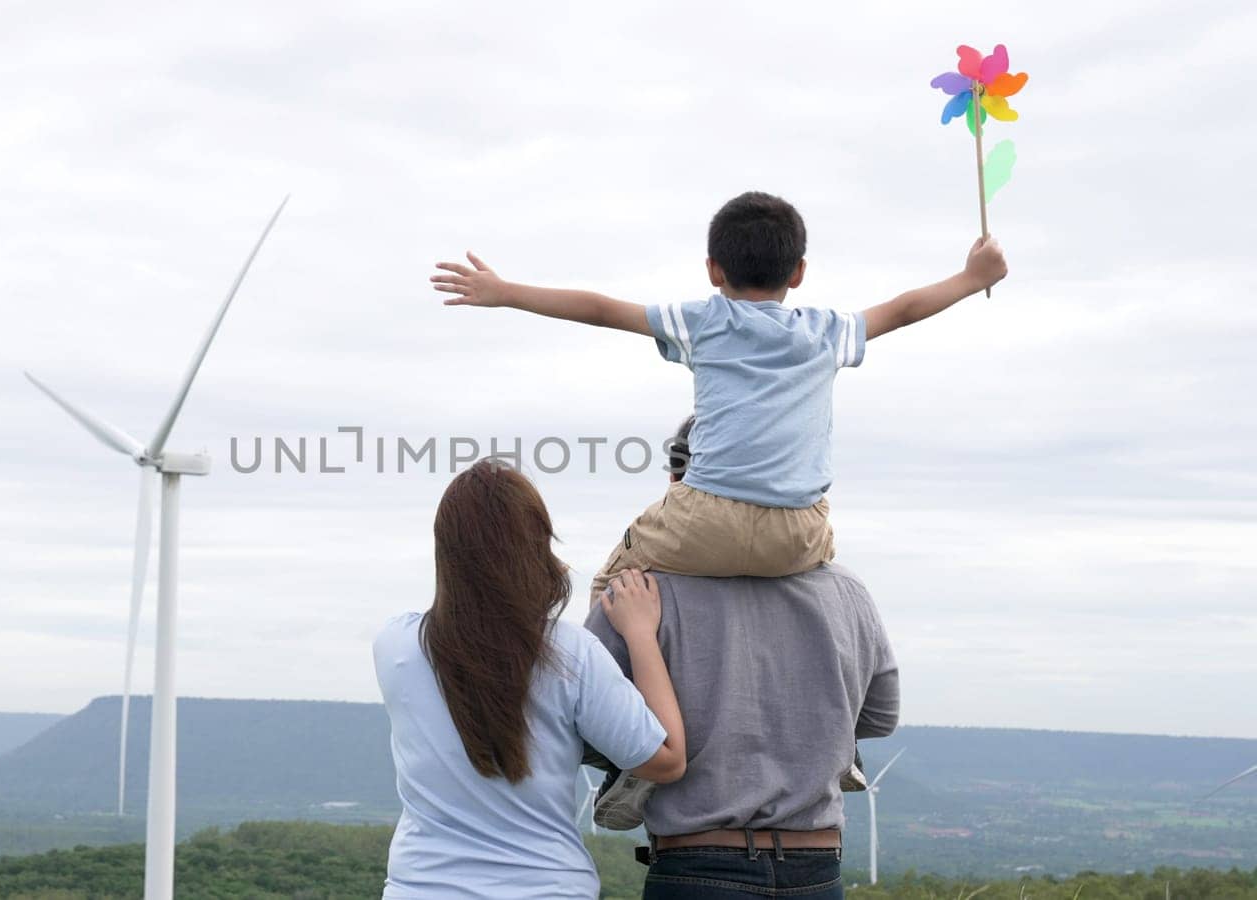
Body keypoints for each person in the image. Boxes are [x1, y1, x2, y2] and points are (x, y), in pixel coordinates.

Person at [431, 191, 1008, 597]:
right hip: (798, 531)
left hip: (704, 521)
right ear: (799, 272)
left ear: (713, 269)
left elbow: (601, 310)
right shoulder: (825, 334)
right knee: (830, 585)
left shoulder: (703, 322)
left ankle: (619, 739)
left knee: (611, 585)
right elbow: (905, 310)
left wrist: (506, 292)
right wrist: (971, 277)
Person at [373, 460, 687, 899]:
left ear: (445, 551)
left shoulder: (396, 646)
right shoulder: (569, 652)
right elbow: (667, 759)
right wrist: (639, 634)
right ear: (536, 547)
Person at [582, 562, 900, 898]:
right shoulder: (846, 589)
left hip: (697, 867)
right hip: (816, 865)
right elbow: (880, 716)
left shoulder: (637, 592)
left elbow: (591, 729)